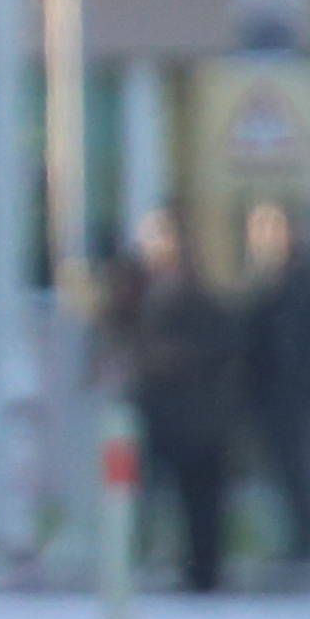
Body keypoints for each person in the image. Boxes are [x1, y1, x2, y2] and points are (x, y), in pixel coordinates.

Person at [113, 207, 241, 592]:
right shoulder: (142, 293)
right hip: (163, 413)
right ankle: (172, 559)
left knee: (201, 499)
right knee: (159, 494)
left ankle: (205, 568)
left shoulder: (198, 297)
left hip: (196, 417)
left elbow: (219, 349)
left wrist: (174, 359)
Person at [240, 201, 310, 566]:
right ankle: (291, 536)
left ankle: (305, 539)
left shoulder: (307, 279)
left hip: (294, 388)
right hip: (264, 388)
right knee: (277, 466)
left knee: (296, 464)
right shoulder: (258, 280)